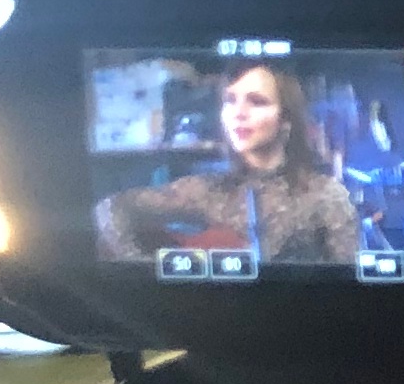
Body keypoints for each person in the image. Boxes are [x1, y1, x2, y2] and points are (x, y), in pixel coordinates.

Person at [94, 60, 360, 270]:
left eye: (257, 101)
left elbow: (352, 289)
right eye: (230, 100)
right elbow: (108, 209)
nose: (238, 113)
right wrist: (152, 275)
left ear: (286, 119)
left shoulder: (325, 195)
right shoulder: (208, 190)